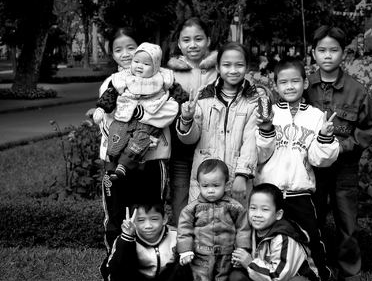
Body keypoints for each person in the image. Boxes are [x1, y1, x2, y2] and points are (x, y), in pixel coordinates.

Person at [94, 27, 185, 281]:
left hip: (153, 161)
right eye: (118, 49)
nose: (126, 54)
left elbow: (172, 110)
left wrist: (144, 115)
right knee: (116, 218)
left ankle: (149, 273)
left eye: (131, 47)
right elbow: (109, 120)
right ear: (112, 54)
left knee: (149, 216)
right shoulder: (112, 83)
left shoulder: (163, 81)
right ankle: (112, 278)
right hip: (115, 163)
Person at [254, 56, 340, 281]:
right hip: (269, 191)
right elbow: (260, 154)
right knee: (266, 239)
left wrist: (324, 137)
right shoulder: (268, 112)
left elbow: (319, 159)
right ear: (276, 85)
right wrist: (267, 128)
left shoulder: (315, 116)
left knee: (311, 238)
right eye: (283, 82)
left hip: (300, 192)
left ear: (305, 83)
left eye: (295, 81)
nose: (289, 86)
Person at [303, 25, 372, 281]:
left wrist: (341, 146)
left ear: (343, 54)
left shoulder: (357, 90)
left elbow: (368, 129)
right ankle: (318, 276)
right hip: (314, 168)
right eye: (321, 50)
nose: (327, 55)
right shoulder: (304, 87)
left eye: (334, 50)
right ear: (312, 53)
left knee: (348, 222)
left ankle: (351, 279)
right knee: (315, 220)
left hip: (345, 167)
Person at [230, 183, 322, 281]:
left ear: (278, 214)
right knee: (236, 277)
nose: (257, 214)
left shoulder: (284, 237)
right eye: (253, 208)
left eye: (265, 209)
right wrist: (240, 260)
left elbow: (279, 277)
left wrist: (249, 263)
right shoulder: (251, 231)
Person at [176, 41, 259, 208]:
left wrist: (242, 175)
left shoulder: (253, 101)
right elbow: (190, 139)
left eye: (239, 65)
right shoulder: (204, 96)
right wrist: (187, 119)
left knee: (235, 226)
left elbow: (252, 141)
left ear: (247, 67)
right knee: (202, 225)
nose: (233, 70)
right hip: (205, 179)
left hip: (235, 180)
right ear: (218, 68)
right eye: (227, 65)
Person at [177, 159, 251, 281]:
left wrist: (242, 249)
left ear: (227, 184)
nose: (210, 190)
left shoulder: (235, 207)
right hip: (201, 255)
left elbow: (243, 229)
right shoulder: (192, 208)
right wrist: (185, 250)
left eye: (216, 185)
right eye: (205, 185)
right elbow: (184, 229)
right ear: (199, 185)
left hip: (226, 255)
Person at [93, 42, 178, 180]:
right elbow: (109, 95)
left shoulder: (163, 80)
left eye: (146, 64)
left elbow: (177, 98)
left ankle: (124, 165)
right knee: (117, 134)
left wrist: (186, 103)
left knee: (141, 139)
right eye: (137, 61)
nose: (139, 66)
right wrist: (102, 109)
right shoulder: (119, 80)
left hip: (149, 131)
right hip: (123, 119)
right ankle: (112, 165)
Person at [165, 17, 218, 226]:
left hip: (211, 149)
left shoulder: (219, 71)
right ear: (179, 43)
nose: (193, 45)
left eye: (198, 39)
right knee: (180, 203)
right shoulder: (169, 73)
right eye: (186, 40)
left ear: (208, 41)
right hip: (180, 152)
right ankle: (182, 250)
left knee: (210, 204)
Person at [107, 199, 192, 281]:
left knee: (184, 265)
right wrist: (127, 239)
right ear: (133, 221)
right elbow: (114, 268)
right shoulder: (123, 239)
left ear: (164, 219)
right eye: (141, 220)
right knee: (120, 267)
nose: (148, 225)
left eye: (154, 219)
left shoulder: (177, 236)